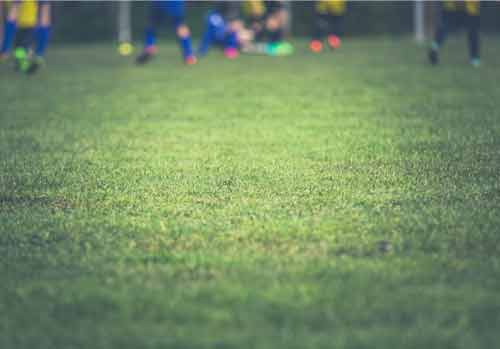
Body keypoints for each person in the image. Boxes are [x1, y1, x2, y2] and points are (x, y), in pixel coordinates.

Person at [136, 0, 196, 65]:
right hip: (175, 3)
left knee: (152, 25)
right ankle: (189, 56)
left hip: (158, 3)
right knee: (180, 26)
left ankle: (149, 46)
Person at [0, 0, 51, 74]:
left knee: (22, 46)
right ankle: (29, 60)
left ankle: (32, 58)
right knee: (19, 48)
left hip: (27, 24)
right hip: (19, 25)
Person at [428, 0, 481, 67]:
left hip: (465, 6)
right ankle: (475, 59)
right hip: (464, 7)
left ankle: (434, 47)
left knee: (444, 27)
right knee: (472, 31)